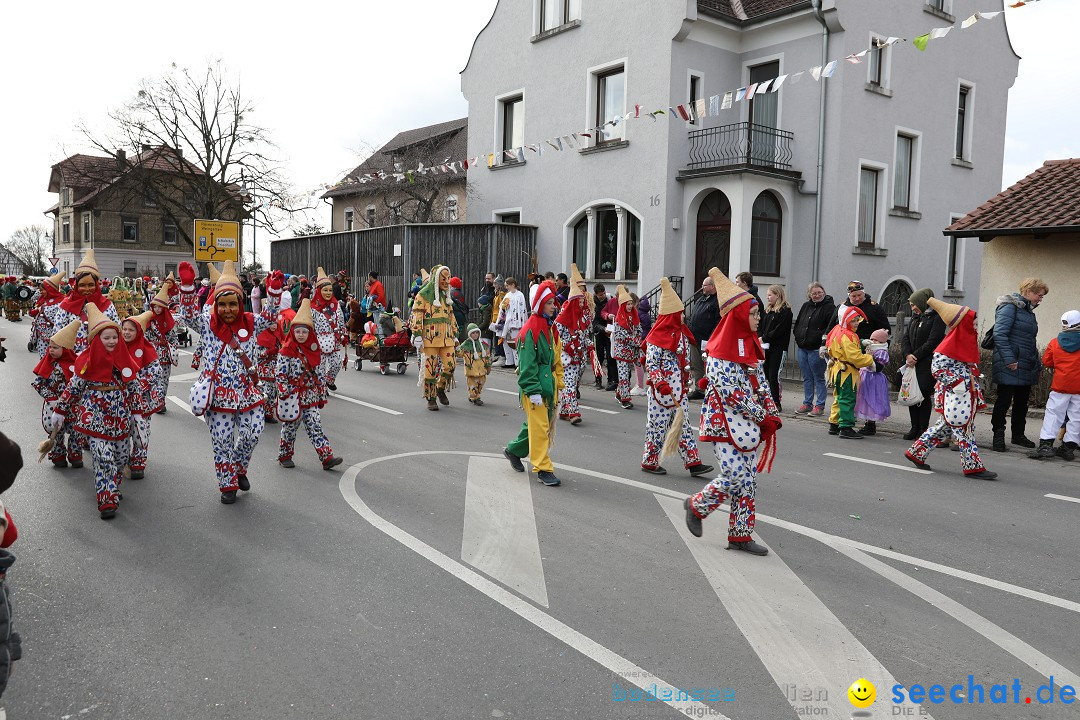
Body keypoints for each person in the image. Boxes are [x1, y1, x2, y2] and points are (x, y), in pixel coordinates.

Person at [684, 268, 780, 555]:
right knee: (736, 475)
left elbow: (761, 385)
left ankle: (741, 535)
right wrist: (760, 415)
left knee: (748, 482)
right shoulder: (718, 351)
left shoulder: (750, 345)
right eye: (753, 313)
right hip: (722, 424)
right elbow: (730, 393)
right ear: (738, 315)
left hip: (747, 425)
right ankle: (697, 505)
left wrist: (772, 413)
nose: (758, 317)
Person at [174, 260, 282, 504]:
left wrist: (274, 292)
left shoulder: (252, 322)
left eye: (233, 303)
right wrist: (188, 287)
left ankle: (238, 468)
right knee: (222, 441)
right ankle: (227, 484)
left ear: (240, 302)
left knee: (253, 432)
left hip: (248, 393)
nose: (228, 309)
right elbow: (188, 315)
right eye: (222, 304)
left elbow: (272, 315)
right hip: (218, 395)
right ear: (216, 305)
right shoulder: (207, 324)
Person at [52, 304, 139, 518]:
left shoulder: (124, 361)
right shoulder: (85, 361)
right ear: (96, 340)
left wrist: (138, 414)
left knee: (120, 457)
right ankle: (106, 498)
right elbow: (73, 388)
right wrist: (61, 410)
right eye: (106, 338)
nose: (111, 341)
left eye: (114, 337)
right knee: (102, 457)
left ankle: (114, 485)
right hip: (95, 417)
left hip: (120, 419)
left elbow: (135, 389)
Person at [904, 298, 997, 479]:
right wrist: (958, 383)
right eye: (974, 323)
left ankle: (916, 452)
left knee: (944, 427)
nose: (976, 327)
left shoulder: (960, 343)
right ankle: (973, 467)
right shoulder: (946, 347)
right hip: (957, 396)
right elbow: (937, 369)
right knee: (964, 430)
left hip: (962, 395)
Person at [641, 278, 713, 478]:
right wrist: (659, 382)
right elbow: (652, 364)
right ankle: (650, 460)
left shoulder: (681, 334)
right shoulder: (657, 338)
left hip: (679, 390)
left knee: (683, 426)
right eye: (680, 313)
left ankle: (693, 462)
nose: (683, 317)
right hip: (661, 393)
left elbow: (685, 362)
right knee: (657, 427)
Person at [503, 280, 564, 486]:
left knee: (537, 426)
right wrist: (533, 390)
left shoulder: (551, 328)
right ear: (540, 304)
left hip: (548, 387)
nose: (553, 306)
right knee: (540, 429)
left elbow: (556, 360)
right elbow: (527, 365)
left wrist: (560, 384)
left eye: (554, 303)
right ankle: (543, 468)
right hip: (535, 388)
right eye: (549, 303)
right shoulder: (531, 330)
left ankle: (513, 450)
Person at [275, 299, 343, 471]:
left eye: (304, 332)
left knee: (315, 426)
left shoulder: (314, 350)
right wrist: (283, 392)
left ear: (310, 333)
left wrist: (321, 394)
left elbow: (319, 374)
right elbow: (280, 373)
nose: (300, 335)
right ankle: (285, 455)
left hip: (310, 395)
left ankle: (326, 457)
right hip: (293, 395)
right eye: (297, 331)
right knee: (290, 428)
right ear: (292, 332)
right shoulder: (286, 351)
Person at [990, 277, 1047, 452]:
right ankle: (998, 435)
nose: (1040, 299)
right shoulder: (1009, 307)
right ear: (1028, 292)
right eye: (1039, 295)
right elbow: (1000, 334)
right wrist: (1009, 360)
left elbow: (1029, 340)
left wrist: (1036, 364)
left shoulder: (1028, 311)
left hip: (1025, 364)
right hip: (1010, 363)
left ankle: (1018, 435)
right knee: (1004, 401)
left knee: (1022, 402)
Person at [836, 281, 891, 435]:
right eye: (853, 296)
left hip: (869, 351)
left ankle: (868, 423)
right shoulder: (842, 308)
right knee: (852, 392)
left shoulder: (874, 307)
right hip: (850, 352)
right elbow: (833, 327)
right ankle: (841, 421)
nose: (857, 298)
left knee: (869, 392)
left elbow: (886, 328)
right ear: (849, 296)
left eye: (859, 295)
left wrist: (880, 348)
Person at [45, 249, 121, 354]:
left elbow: (118, 330)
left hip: (102, 358)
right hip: (73, 359)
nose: (87, 289)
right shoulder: (65, 306)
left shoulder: (108, 305)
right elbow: (57, 334)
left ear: (96, 285)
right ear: (76, 286)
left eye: (90, 285)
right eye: (82, 285)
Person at [32, 319, 82, 468]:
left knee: (76, 431)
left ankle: (75, 454)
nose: (51, 350)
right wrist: (51, 397)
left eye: (55, 347)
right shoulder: (49, 364)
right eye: (49, 347)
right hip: (54, 405)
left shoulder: (77, 364)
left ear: (66, 348)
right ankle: (58, 454)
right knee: (56, 432)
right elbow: (38, 383)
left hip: (73, 406)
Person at [121, 312, 164, 480]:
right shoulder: (117, 346)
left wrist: (136, 387)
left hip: (142, 399)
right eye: (124, 329)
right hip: (122, 398)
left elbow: (155, 372)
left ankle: (139, 461)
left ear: (138, 331)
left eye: (131, 330)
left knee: (141, 430)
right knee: (123, 429)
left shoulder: (147, 349)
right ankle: (123, 459)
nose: (126, 332)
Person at [1031, 310, 1080, 461]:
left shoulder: (1055, 342)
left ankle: (1046, 444)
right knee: (1076, 417)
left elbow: (1047, 362)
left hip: (1060, 385)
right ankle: (1068, 448)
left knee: (1053, 414)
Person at [826, 306, 879, 439]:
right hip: (847, 372)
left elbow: (843, 348)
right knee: (847, 400)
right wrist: (870, 359)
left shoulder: (838, 329)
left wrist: (861, 343)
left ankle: (834, 424)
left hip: (838, 369)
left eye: (857, 320)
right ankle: (846, 427)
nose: (857, 323)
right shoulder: (847, 335)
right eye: (853, 320)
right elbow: (854, 357)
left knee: (839, 398)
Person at [411, 265, 460, 410]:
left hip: (447, 337)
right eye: (443, 278)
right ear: (436, 279)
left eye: (448, 278)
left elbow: (451, 316)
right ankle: (431, 398)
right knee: (430, 369)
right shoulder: (422, 295)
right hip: (430, 338)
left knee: (450, 366)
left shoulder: (446, 296)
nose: (446, 281)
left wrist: (455, 333)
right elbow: (417, 314)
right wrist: (417, 334)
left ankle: (440, 388)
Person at [900, 288, 946, 440]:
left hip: (926, 363)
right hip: (912, 363)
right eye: (911, 305)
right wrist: (907, 355)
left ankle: (923, 428)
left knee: (923, 396)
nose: (913, 308)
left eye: (914, 305)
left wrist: (916, 356)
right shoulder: (915, 318)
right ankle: (914, 427)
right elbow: (905, 338)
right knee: (912, 395)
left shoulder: (936, 318)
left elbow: (933, 341)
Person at [554, 264, 593, 425]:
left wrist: (590, 345)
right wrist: (564, 347)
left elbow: (584, 335)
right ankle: (573, 412)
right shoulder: (563, 318)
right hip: (567, 357)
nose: (583, 302)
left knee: (573, 383)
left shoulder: (583, 317)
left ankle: (563, 411)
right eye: (580, 301)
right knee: (569, 385)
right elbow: (555, 336)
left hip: (579, 356)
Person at [792, 282, 836, 416]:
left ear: (824, 292)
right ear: (809, 295)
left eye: (819, 292)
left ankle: (820, 405)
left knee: (819, 377)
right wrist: (798, 336)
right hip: (803, 347)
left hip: (816, 348)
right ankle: (807, 403)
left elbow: (830, 327)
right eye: (814, 293)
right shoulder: (806, 306)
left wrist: (818, 338)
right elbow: (798, 323)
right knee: (807, 377)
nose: (817, 295)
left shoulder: (829, 307)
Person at [255, 279, 294, 425]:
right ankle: (260, 412)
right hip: (262, 371)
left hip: (274, 370)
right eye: (269, 323)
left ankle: (269, 413)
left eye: (274, 323)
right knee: (264, 391)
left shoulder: (278, 332)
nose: (272, 326)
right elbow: (258, 355)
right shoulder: (260, 337)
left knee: (273, 391)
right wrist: (269, 352)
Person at [144, 281, 179, 415]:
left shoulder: (169, 321)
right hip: (152, 354)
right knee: (153, 378)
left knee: (164, 379)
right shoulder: (149, 320)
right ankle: (155, 401)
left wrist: (172, 347)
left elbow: (174, 338)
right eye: (155, 307)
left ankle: (161, 402)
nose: (157, 309)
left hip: (164, 355)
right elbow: (145, 336)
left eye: (160, 307)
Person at [311, 267, 347, 391]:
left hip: (334, 338)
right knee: (319, 367)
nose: (328, 293)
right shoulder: (313, 308)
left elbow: (341, 321)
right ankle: (321, 389)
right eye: (325, 290)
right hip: (318, 340)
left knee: (337, 363)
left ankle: (329, 380)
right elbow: (309, 325)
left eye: (330, 290)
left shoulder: (336, 306)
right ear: (319, 291)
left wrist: (344, 334)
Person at [759, 284, 792, 412]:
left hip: (778, 347)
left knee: (774, 375)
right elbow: (760, 325)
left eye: (770, 295)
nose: (767, 298)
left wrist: (765, 337)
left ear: (777, 295)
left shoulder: (785, 311)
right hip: (766, 346)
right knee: (766, 374)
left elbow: (779, 330)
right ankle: (767, 400)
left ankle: (776, 401)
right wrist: (761, 336)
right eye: (767, 295)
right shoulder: (767, 310)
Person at [688, 276, 720, 400]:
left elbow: (718, 321)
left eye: (704, 285)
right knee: (697, 365)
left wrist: (712, 337)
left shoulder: (716, 301)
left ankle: (709, 389)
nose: (702, 287)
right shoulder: (701, 299)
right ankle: (699, 388)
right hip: (695, 337)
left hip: (707, 339)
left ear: (712, 286)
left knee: (707, 365)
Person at [611, 285, 643, 409]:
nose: (630, 306)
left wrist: (638, 337)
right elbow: (622, 335)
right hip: (622, 351)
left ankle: (619, 393)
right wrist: (636, 341)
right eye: (627, 304)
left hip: (632, 351)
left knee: (626, 373)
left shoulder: (634, 315)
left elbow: (639, 328)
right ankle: (625, 399)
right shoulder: (619, 319)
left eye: (631, 304)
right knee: (624, 375)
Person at [855, 328, 891, 427]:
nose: (872, 342)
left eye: (875, 340)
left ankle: (871, 424)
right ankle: (866, 422)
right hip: (865, 377)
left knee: (873, 400)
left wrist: (870, 357)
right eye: (871, 339)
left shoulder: (881, 352)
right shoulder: (868, 349)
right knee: (864, 400)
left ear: (882, 342)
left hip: (874, 380)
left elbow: (878, 368)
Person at [494, 277, 527, 370]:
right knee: (504, 341)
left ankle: (517, 362)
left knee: (514, 343)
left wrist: (521, 322)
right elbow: (502, 308)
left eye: (507, 285)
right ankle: (509, 361)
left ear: (513, 285)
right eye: (505, 285)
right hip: (506, 321)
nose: (506, 287)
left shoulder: (520, 295)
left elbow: (522, 310)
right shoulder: (507, 295)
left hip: (516, 322)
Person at [29, 271, 65, 356]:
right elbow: (32, 312)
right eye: (40, 290)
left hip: (56, 339)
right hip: (41, 337)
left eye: (42, 290)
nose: (40, 292)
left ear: (50, 290)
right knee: (43, 359)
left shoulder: (62, 302)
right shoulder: (43, 300)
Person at [459, 323, 492, 406]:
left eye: (477, 333)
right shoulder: (465, 345)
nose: (475, 334)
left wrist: (488, 366)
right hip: (471, 370)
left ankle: (475, 395)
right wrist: (455, 347)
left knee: (481, 382)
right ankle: (474, 397)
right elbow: (459, 353)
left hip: (482, 369)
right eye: (473, 333)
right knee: (473, 384)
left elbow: (487, 356)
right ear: (469, 334)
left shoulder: (483, 345)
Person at [591, 284, 611, 388]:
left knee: (609, 355)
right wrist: (602, 329)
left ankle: (610, 380)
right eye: (600, 295)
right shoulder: (593, 303)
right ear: (596, 294)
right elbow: (594, 321)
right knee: (599, 357)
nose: (602, 296)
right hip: (598, 332)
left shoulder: (609, 299)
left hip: (609, 331)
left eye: (603, 293)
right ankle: (598, 379)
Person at [632, 293, 652, 396]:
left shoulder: (639, 313)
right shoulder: (642, 312)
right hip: (642, 340)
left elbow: (641, 328)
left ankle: (641, 386)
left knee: (639, 363)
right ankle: (639, 384)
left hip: (642, 341)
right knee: (639, 363)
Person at [449, 276, 470, 341]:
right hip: (461, 316)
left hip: (456, 316)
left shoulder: (451, 293)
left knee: (455, 336)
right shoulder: (459, 292)